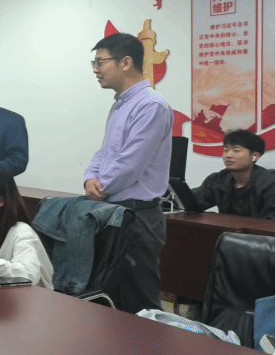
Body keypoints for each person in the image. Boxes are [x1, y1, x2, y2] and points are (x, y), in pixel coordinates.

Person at [84, 32, 172, 314]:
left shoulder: (151, 104)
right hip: (114, 210)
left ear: (125, 62)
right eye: (94, 63)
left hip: (137, 217)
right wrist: (90, 177)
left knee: (140, 305)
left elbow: (131, 164)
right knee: (111, 299)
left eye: (100, 62)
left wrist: (101, 185)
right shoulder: (120, 104)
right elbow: (105, 152)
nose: (96, 70)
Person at [193, 129, 274, 219]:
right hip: (225, 228)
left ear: (254, 157)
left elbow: (271, 221)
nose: (228, 155)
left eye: (236, 150)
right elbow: (191, 203)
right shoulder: (218, 179)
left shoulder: (270, 184)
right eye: (226, 150)